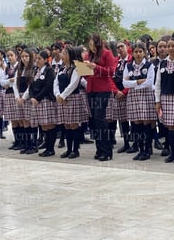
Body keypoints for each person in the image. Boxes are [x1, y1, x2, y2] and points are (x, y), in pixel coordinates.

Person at [123, 43, 156, 161]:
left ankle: (147, 149)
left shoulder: (149, 65)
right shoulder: (128, 66)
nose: (138, 54)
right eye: (136, 52)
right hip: (133, 96)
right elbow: (125, 83)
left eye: (140, 51)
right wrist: (137, 82)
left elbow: (149, 82)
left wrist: (133, 84)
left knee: (146, 122)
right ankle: (140, 149)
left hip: (146, 95)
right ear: (132, 53)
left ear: (144, 53)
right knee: (136, 123)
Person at [85, 33, 116, 161]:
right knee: (94, 120)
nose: (90, 46)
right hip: (91, 88)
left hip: (103, 89)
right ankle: (99, 148)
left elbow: (111, 71)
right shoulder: (88, 55)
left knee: (100, 118)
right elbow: (87, 75)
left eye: (92, 44)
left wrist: (96, 67)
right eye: (89, 44)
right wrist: (83, 70)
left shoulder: (106, 53)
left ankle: (106, 149)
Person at [54, 46, 89, 158]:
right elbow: (56, 83)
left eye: (64, 54)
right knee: (66, 125)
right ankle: (68, 149)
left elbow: (73, 84)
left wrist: (63, 96)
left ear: (70, 55)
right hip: (62, 99)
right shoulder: (61, 68)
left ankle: (75, 149)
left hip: (73, 98)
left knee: (74, 124)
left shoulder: (77, 68)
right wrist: (57, 95)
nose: (62, 56)